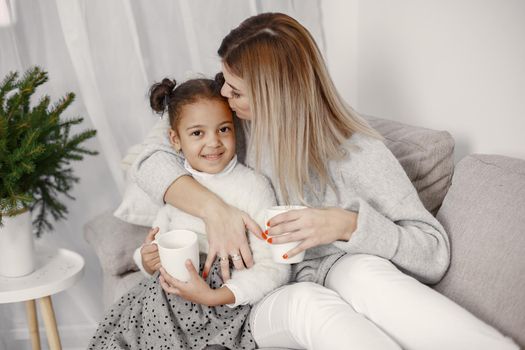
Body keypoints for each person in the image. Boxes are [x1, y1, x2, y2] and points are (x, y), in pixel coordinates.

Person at [133, 13, 518, 350]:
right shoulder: (228, 128)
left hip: (336, 269)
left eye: (236, 90)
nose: (222, 95)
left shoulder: (356, 152)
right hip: (266, 292)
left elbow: (432, 252)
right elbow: (149, 160)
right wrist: (215, 211)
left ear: (274, 96)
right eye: (225, 82)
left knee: (366, 276)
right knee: (311, 306)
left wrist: (347, 225)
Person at [88, 77, 289, 350]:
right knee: (121, 331)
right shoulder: (178, 188)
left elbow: (274, 267)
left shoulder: (253, 186)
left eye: (223, 129)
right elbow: (156, 247)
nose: (213, 143)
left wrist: (219, 295)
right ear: (175, 139)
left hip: (223, 301)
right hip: (170, 296)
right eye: (197, 133)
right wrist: (147, 260)